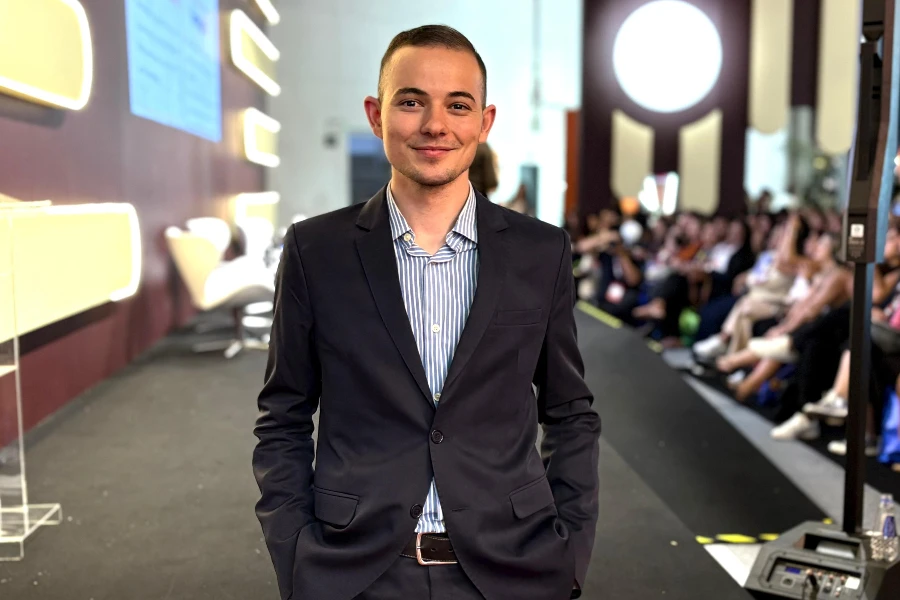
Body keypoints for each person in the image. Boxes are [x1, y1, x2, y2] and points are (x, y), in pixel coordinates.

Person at [252, 25, 600, 600]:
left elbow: (570, 411)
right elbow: (283, 413)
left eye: (457, 105)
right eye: (411, 101)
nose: (435, 124)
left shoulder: (543, 251)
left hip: (512, 568)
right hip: (355, 570)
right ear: (376, 113)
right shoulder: (316, 250)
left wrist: (570, 553)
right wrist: (295, 552)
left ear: (483, 123)